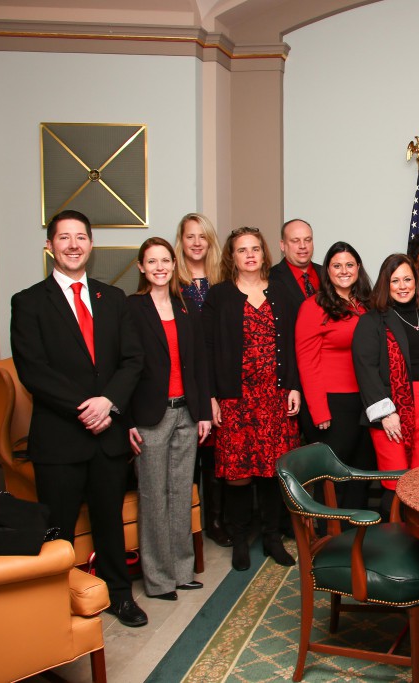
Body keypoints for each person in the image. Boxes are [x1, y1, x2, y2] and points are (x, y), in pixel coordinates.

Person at [10, 209, 147, 627]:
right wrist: (85, 407)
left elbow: (132, 360)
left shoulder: (114, 298)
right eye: (64, 237)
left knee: (109, 521)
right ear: (50, 246)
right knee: (59, 529)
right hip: (60, 437)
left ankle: (119, 596)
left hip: (108, 434)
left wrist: (108, 403)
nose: (73, 244)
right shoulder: (29, 301)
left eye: (81, 237)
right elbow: (33, 370)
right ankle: (54, 606)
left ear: (91, 245)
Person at [205, 227, 301, 571]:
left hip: (274, 397)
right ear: (232, 256)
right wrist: (212, 397)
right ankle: (240, 538)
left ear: (264, 254)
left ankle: (273, 538)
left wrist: (294, 385)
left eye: (255, 249)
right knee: (238, 474)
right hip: (235, 400)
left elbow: (294, 344)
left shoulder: (282, 292)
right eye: (242, 250)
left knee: (273, 471)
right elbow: (207, 349)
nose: (249, 255)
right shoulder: (219, 296)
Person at [126, 237, 211, 601]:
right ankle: (159, 579)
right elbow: (124, 368)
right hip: (149, 416)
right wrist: (126, 419)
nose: (160, 267)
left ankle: (182, 570)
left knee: (180, 494)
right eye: (152, 261)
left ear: (173, 265)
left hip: (186, 413)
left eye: (165, 260)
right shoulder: (131, 309)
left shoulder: (185, 307)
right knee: (153, 496)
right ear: (141, 268)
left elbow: (200, 362)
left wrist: (204, 412)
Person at [352, 253, 419, 516]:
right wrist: (386, 414)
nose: (402, 286)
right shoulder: (372, 321)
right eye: (395, 280)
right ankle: (393, 541)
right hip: (395, 412)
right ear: (385, 285)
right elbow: (365, 370)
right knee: (397, 484)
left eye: (407, 279)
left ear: (416, 283)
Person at [295, 242, 375, 511]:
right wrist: (319, 411)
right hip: (332, 403)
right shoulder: (314, 306)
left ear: (358, 268)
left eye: (349, 265)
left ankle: (358, 534)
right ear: (326, 270)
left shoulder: (368, 304)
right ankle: (328, 535)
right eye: (337, 265)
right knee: (333, 477)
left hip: (366, 401)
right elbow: (307, 362)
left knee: (361, 473)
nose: (344, 271)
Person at [173, 212, 229, 547]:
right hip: (183, 375)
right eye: (189, 236)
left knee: (214, 456)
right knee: (185, 457)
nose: (196, 243)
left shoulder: (222, 281)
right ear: (181, 241)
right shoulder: (171, 281)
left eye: (202, 236)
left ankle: (214, 520)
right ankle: (185, 526)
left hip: (217, 373)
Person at [269, 218, 321, 444]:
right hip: (289, 376)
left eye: (307, 240)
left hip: (324, 378)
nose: (302, 246)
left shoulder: (328, 274)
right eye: (295, 241)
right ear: (282, 245)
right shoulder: (269, 279)